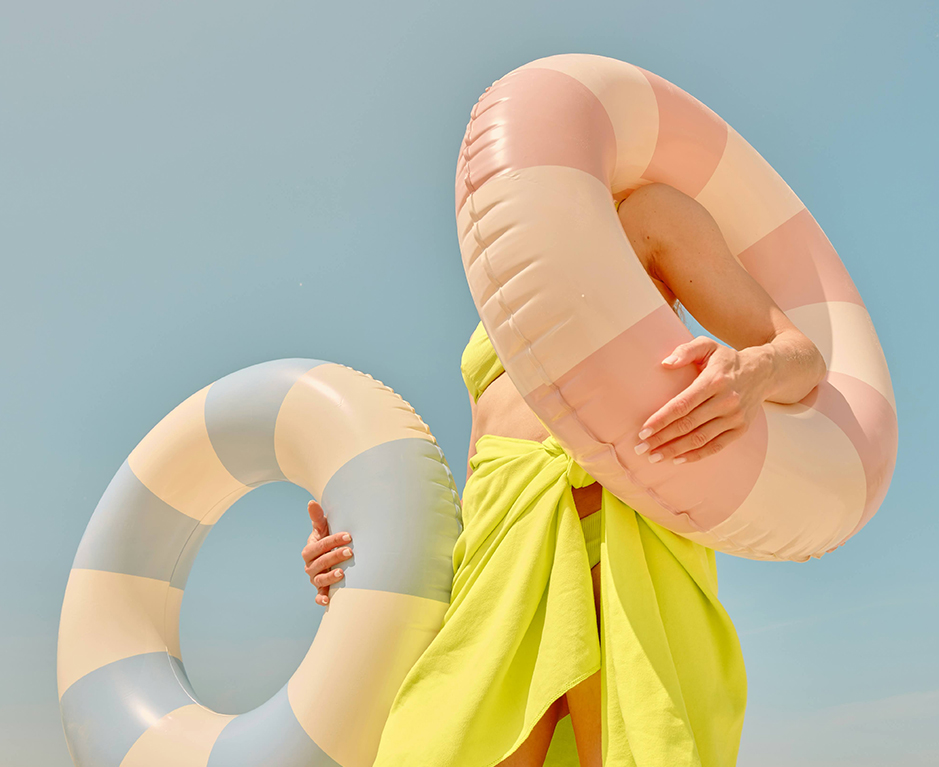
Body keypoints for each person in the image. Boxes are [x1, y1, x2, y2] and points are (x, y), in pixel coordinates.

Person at [301, 182, 828, 766]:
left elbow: (803, 356)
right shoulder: (506, 281)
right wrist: (365, 561)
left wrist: (752, 372)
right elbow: (483, 465)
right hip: (494, 558)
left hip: (614, 535)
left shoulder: (647, 215)